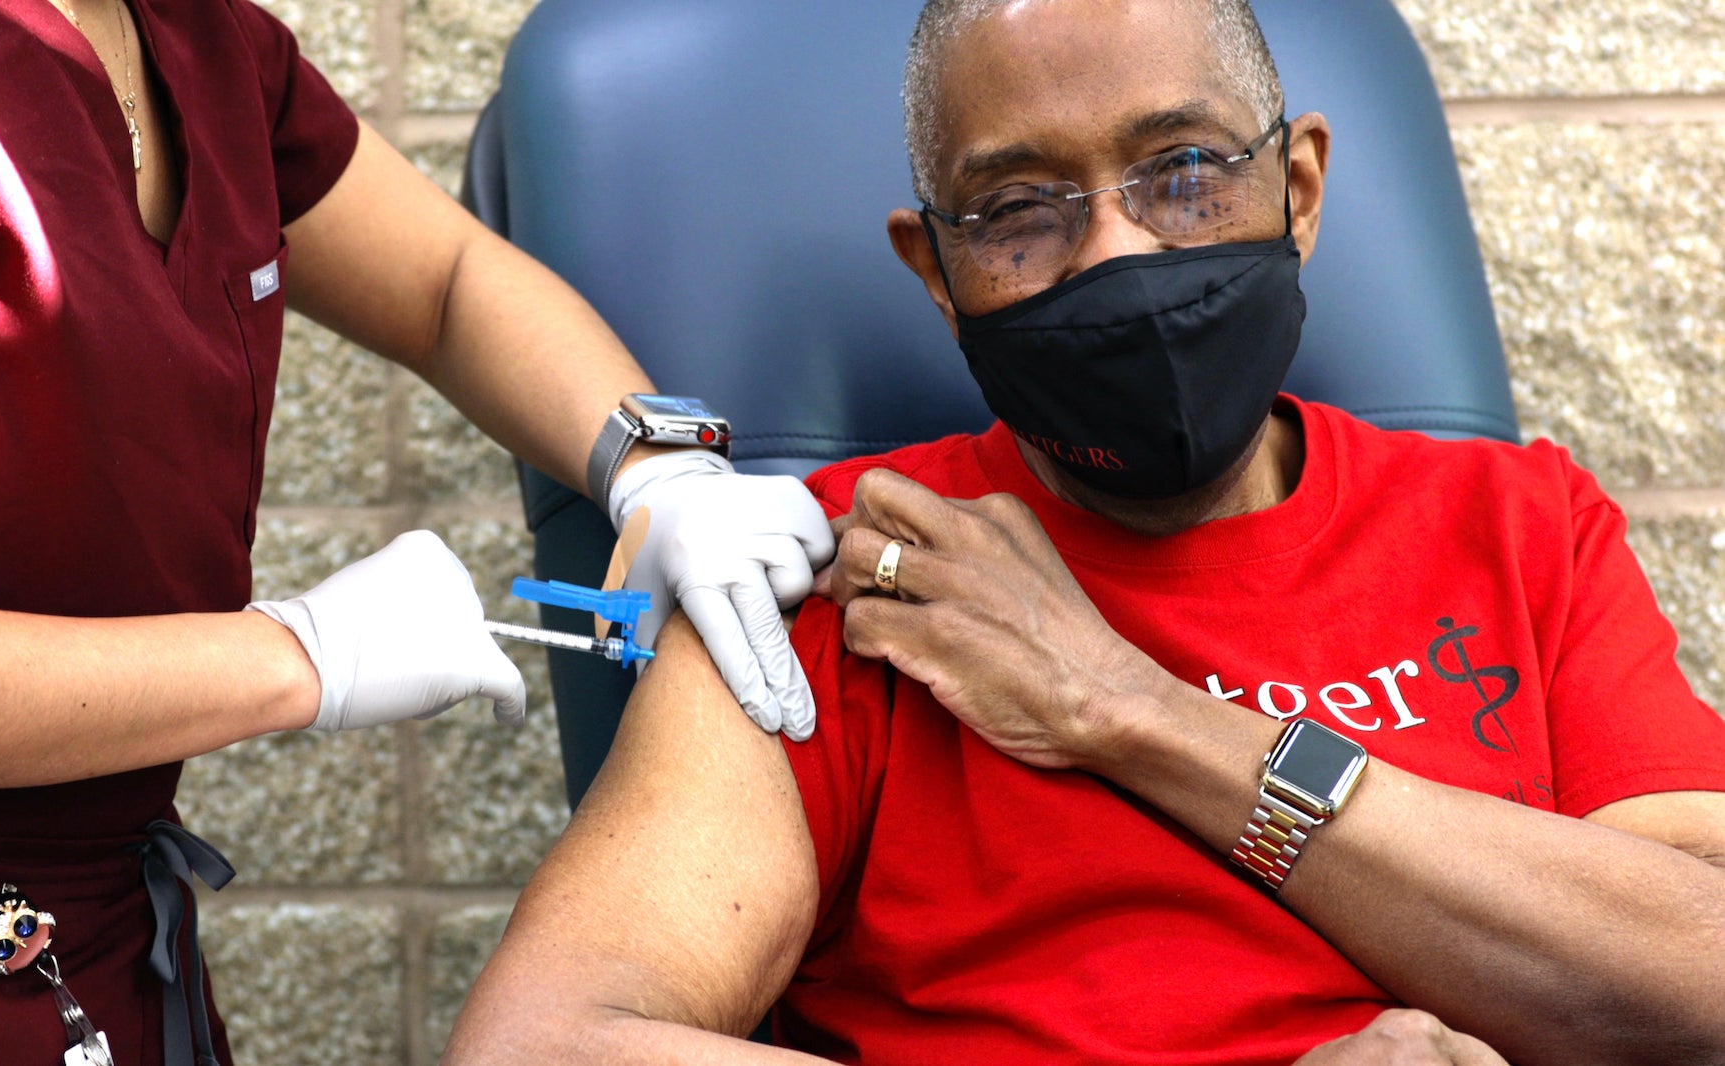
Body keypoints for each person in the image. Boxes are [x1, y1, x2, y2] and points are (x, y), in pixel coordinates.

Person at [444, 0, 1725, 1063]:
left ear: (1298, 187)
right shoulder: (844, 568)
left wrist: (1130, 708)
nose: (1116, 251)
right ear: (937, 278)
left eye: (1182, 172)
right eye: (1017, 209)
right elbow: (547, 1041)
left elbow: (1699, 978)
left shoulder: (1517, 521)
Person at [0, 0, 831, 1063]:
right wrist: (299, 657)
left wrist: (655, 465)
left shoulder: (204, 46)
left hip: (103, 940)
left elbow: (446, 284)